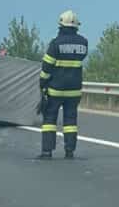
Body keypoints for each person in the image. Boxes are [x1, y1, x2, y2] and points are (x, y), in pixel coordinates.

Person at [36, 10, 88, 160]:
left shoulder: (55, 43)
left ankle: (47, 152)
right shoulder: (83, 42)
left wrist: (42, 83)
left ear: (60, 25)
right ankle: (69, 151)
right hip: (74, 91)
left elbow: (47, 67)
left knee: (49, 120)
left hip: (56, 89)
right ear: (76, 26)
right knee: (70, 121)